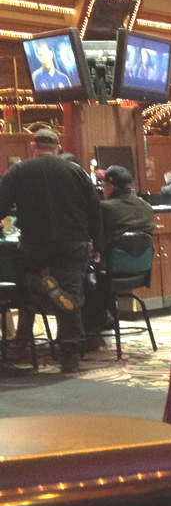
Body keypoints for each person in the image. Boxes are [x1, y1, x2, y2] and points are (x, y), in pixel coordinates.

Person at [0, 129, 102, 373]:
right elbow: (94, 211)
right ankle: (69, 356)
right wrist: (98, 245)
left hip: (35, 244)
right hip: (73, 243)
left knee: (24, 289)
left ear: (33, 146)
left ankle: (37, 289)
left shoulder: (19, 170)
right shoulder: (76, 171)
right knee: (71, 296)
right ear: (58, 148)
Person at [89, 166, 155, 333]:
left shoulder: (105, 208)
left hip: (111, 272)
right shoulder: (146, 206)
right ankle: (104, 318)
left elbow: (94, 237)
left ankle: (94, 325)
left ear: (109, 187)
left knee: (82, 276)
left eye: (103, 186)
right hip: (140, 271)